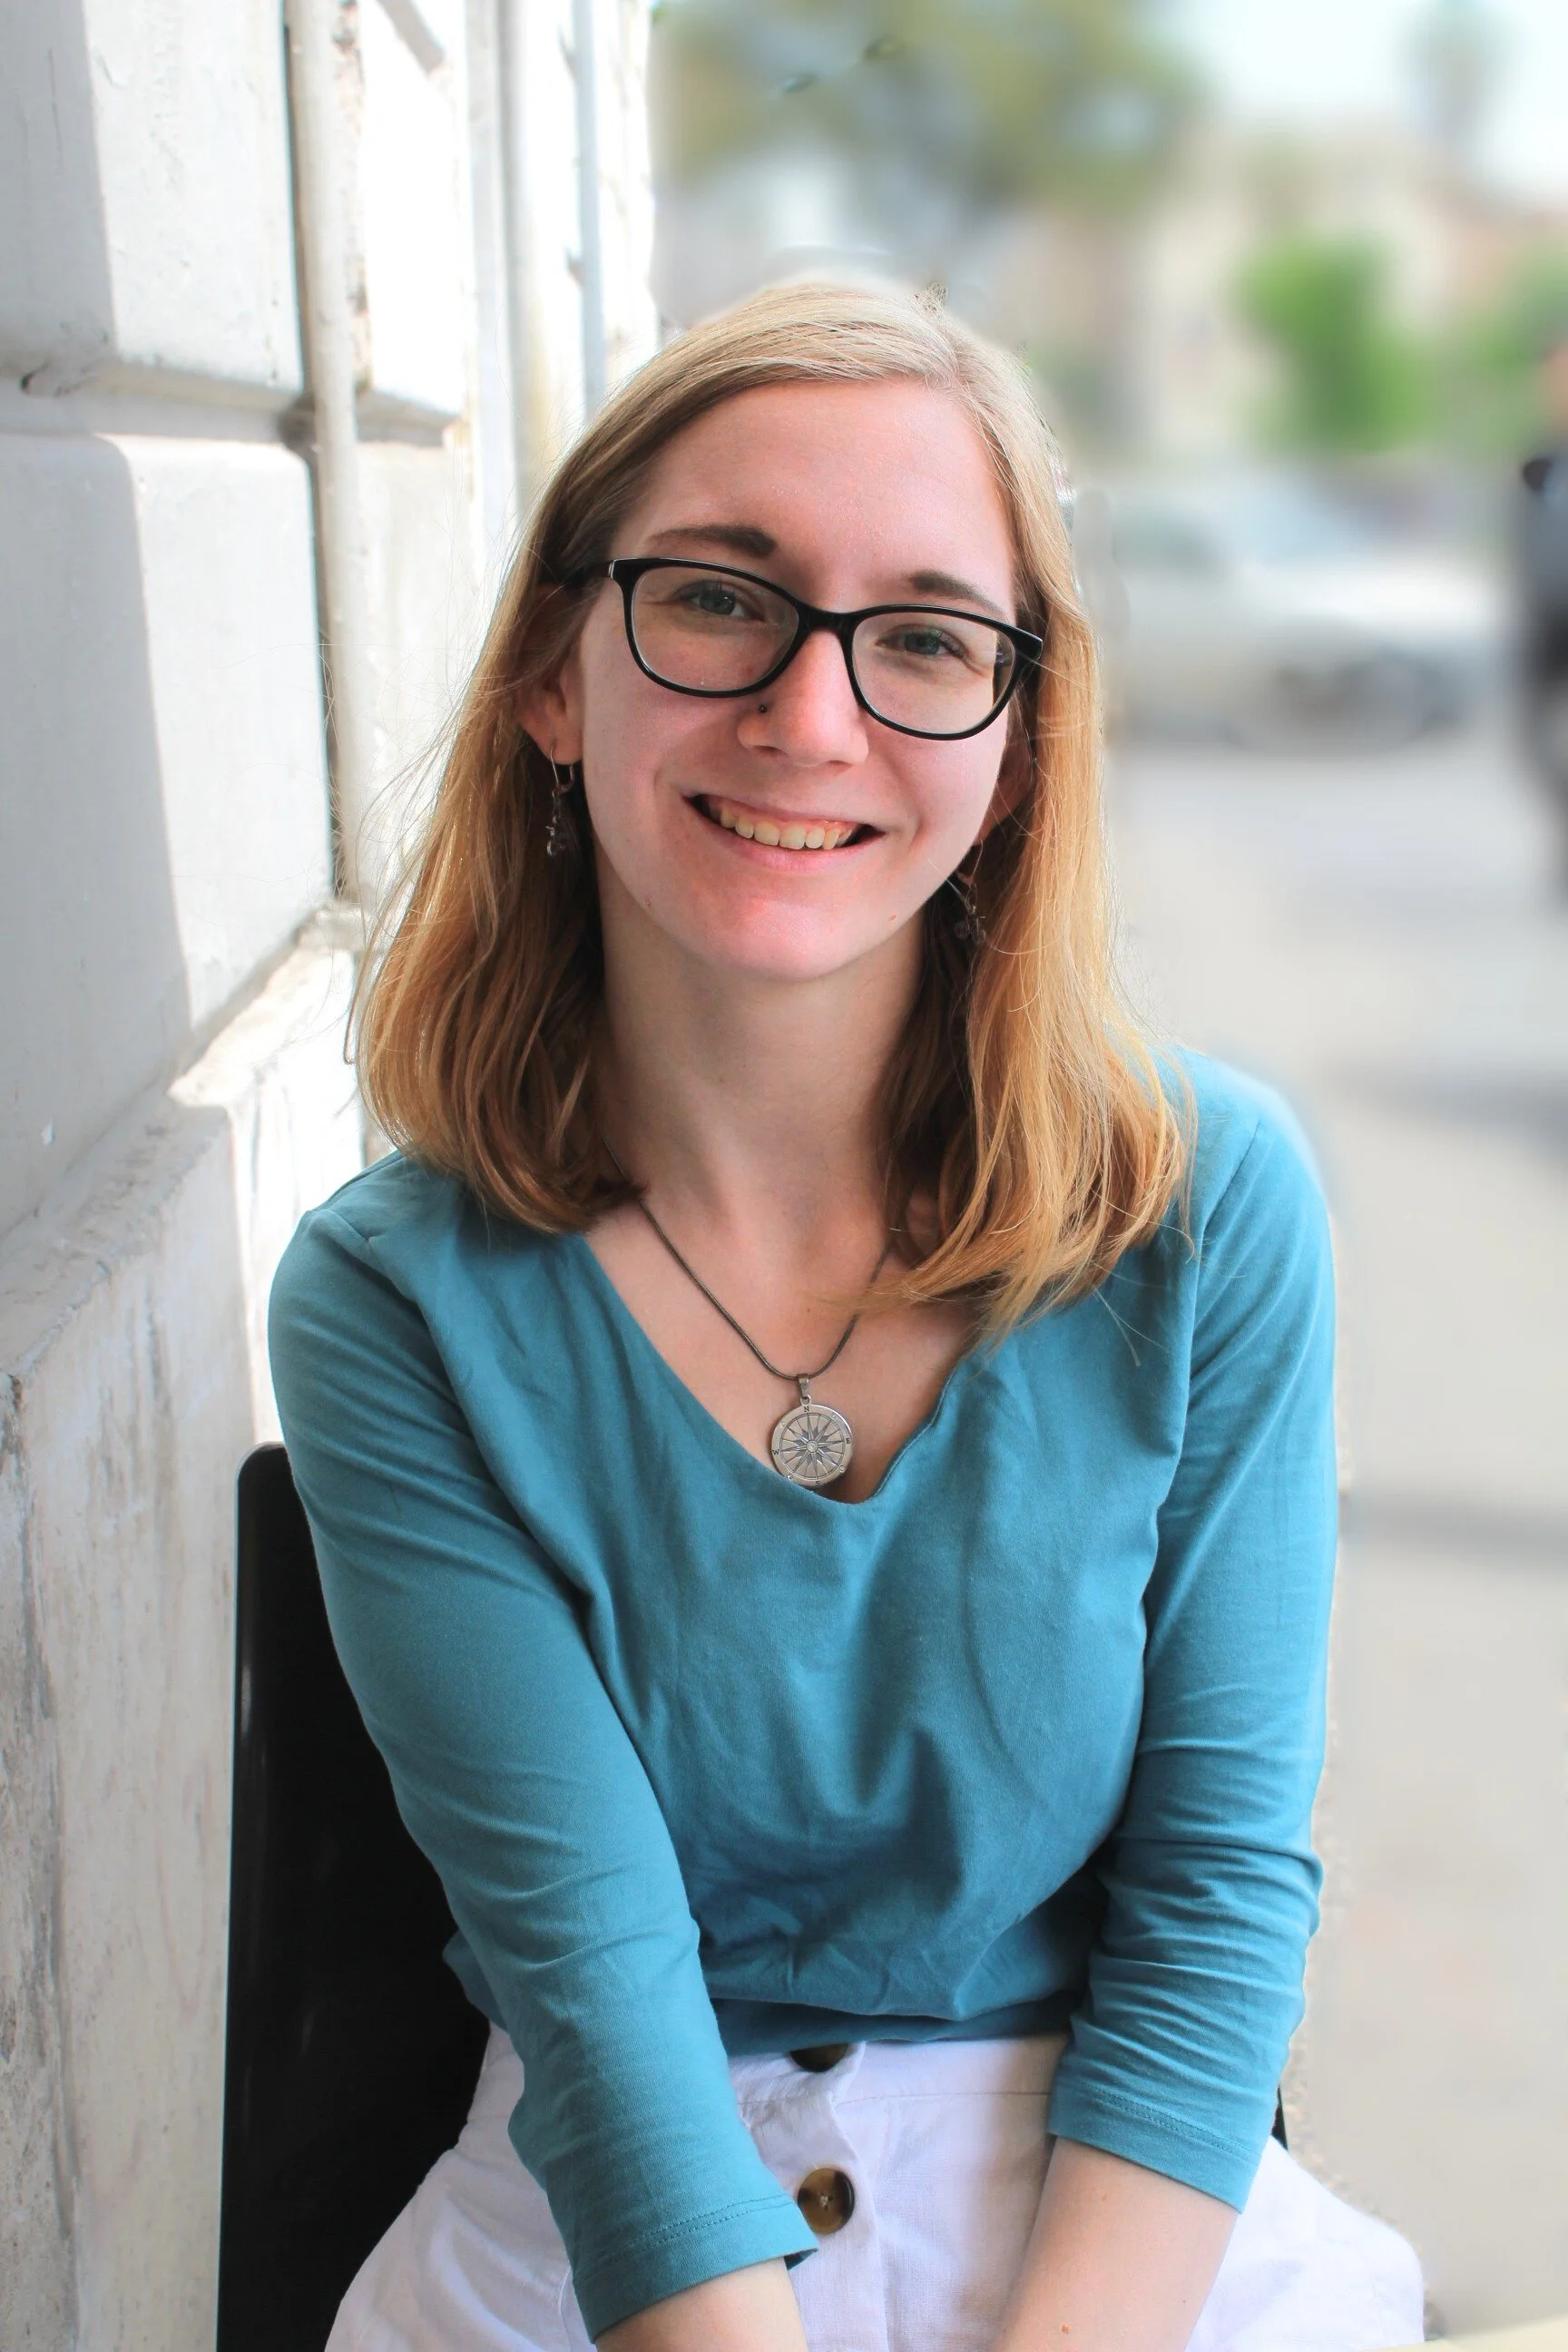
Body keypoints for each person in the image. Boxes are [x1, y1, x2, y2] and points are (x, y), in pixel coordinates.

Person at [269, 281, 1423, 2352]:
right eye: (721, 598)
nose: (812, 717)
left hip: (1122, 2224)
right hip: (620, 2239)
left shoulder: (1202, 1206)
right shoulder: (394, 1300)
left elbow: (1216, 1903)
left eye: (924, 637)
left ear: (1017, 733)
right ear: (554, 667)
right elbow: (599, 1994)